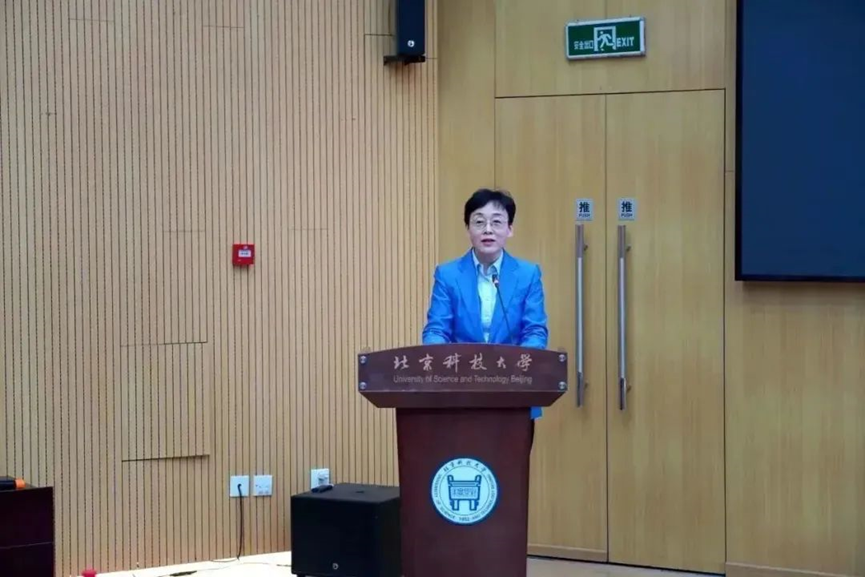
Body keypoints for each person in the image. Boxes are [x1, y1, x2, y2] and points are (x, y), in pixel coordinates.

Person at [421, 188, 549, 445]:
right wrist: (444, 364)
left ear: (510, 229)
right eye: (479, 222)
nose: (488, 229)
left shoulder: (527, 274)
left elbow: (535, 332)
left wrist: (516, 368)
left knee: (510, 467)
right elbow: (436, 330)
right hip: (460, 393)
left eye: (497, 222)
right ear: (468, 229)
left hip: (514, 394)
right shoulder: (448, 275)